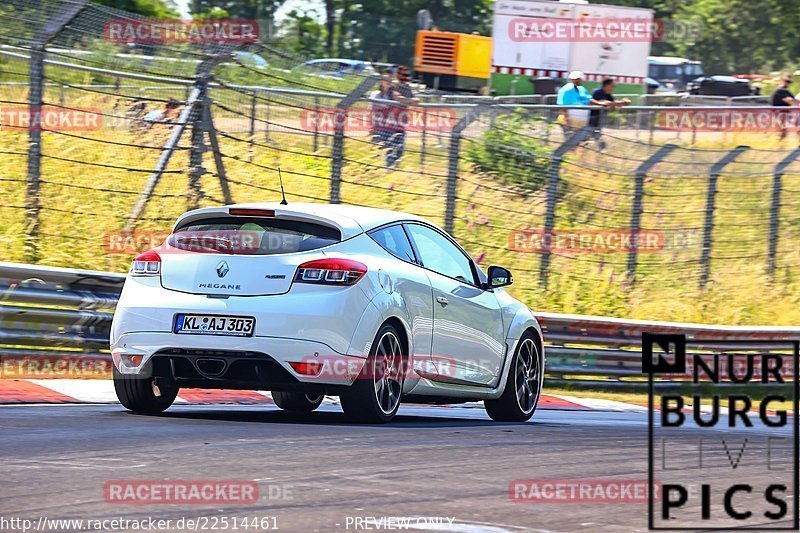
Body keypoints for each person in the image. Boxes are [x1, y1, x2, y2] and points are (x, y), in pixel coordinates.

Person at [385, 65, 419, 169]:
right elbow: (397, 98)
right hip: (391, 122)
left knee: (400, 149)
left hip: (402, 122)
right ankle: (388, 167)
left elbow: (416, 100)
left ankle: (395, 168)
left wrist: (407, 100)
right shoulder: (393, 86)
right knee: (390, 147)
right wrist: (408, 101)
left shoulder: (407, 87)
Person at [588, 78, 631, 145]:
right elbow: (605, 103)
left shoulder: (608, 94)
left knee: (595, 136)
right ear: (606, 85)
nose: (613, 88)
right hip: (592, 119)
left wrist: (623, 102)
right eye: (612, 86)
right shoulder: (598, 92)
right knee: (589, 136)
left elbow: (614, 102)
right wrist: (621, 103)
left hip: (599, 120)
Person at [369, 73, 394, 149]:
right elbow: (371, 109)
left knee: (388, 146)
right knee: (377, 146)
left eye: (390, 80)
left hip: (389, 124)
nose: (388, 82)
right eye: (386, 80)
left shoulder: (393, 95)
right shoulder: (375, 94)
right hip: (378, 123)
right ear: (381, 82)